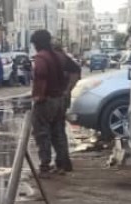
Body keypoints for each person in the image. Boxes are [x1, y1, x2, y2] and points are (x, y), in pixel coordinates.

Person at [29, 30, 77, 175]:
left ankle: (45, 166)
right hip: (59, 100)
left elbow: (41, 77)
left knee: (42, 134)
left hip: (46, 100)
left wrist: (38, 96)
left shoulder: (41, 58)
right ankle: (62, 164)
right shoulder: (59, 56)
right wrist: (66, 90)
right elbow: (75, 70)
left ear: (37, 43)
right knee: (58, 132)